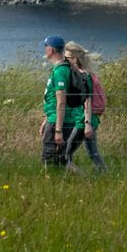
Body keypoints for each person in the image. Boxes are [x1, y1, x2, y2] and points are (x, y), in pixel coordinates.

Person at [39, 35, 84, 171]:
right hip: (54, 119)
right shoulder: (64, 68)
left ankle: (50, 185)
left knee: (49, 158)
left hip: (57, 121)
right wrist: (45, 120)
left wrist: (57, 130)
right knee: (61, 159)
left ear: (51, 50)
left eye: (45, 46)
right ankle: (83, 183)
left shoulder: (60, 71)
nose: (44, 49)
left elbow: (61, 101)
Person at [66, 42, 106, 170]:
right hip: (90, 118)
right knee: (93, 153)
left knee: (66, 154)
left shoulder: (80, 76)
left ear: (74, 59)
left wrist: (86, 123)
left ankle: (78, 179)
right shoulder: (89, 73)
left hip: (83, 119)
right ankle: (104, 176)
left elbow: (86, 99)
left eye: (67, 58)